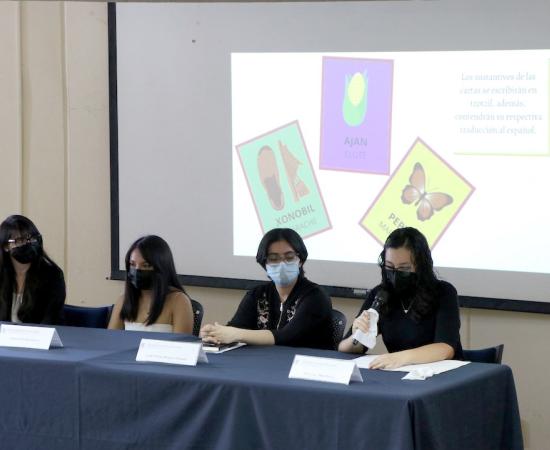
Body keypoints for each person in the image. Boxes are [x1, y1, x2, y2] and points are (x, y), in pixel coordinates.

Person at [338, 227, 462, 368]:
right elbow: (344, 347)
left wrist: (400, 358)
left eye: (404, 268)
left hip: (445, 374)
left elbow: (445, 348)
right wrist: (357, 335)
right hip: (401, 374)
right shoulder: (381, 294)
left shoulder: (444, 292)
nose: (395, 275)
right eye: (390, 267)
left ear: (420, 266)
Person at [200, 228, 334, 349]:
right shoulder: (257, 294)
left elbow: (287, 336)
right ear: (265, 263)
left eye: (289, 257)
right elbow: (236, 327)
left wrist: (236, 334)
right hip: (263, 363)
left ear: (301, 261)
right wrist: (215, 334)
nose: (282, 264)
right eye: (273, 258)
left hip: (305, 364)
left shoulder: (315, 296)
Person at [108, 235, 193, 333]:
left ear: (161, 267)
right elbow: (110, 339)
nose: (137, 270)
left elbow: (182, 342)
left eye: (146, 265)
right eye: (132, 264)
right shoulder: (123, 300)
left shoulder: (179, 301)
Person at [0, 215, 65, 325]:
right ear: (5, 246)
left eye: (32, 239)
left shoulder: (52, 276)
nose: (28, 243)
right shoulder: (2, 275)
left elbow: (50, 321)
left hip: (39, 335)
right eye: (20, 240)